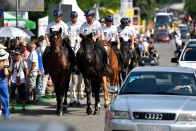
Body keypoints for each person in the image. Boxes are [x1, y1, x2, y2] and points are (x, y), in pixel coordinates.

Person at [44, 9, 75, 74]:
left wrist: (59, 40)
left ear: (60, 17)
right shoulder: (50, 24)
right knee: (45, 53)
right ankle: (46, 68)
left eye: (58, 16)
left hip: (62, 42)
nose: (57, 18)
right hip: (52, 43)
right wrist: (47, 43)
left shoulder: (64, 25)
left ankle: (73, 67)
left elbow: (66, 35)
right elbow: (46, 34)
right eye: (56, 16)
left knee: (71, 51)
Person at [79, 9, 109, 73]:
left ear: (92, 16)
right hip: (86, 43)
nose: (87, 17)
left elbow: (100, 33)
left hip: (95, 42)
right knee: (79, 52)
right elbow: (81, 34)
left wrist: (95, 37)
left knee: (104, 51)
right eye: (86, 16)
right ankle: (77, 67)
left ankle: (106, 66)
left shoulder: (97, 23)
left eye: (88, 16)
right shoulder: (83, 25)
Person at [67, 11, 84, 106]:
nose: (74, 19)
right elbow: (65, 35)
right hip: (70, 44)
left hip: (78, 44)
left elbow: (82, 35)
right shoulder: (67, 25)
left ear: (77, 17)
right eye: (72, 17)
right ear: (70, 17)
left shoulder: (81, 25)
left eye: (75, 17)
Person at [9, 48, 28, 113]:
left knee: (22, 94)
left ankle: (23, 107)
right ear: (14, 55)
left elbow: (26, 72)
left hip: (22, 80)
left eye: (18, 55)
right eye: (16, 55)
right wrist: (9, 80)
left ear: (20, 55)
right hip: (13, 80)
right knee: (12, 94)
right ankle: (12, 107)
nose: (17, 56)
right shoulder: (12, 62)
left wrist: (26, 80)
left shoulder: (24, 62)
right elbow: (10, 72)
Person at [0, 48, 10, 119]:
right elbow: (6, 73)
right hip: (2, 82)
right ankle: (6, 116)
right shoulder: (4, 63)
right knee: (5, 100)